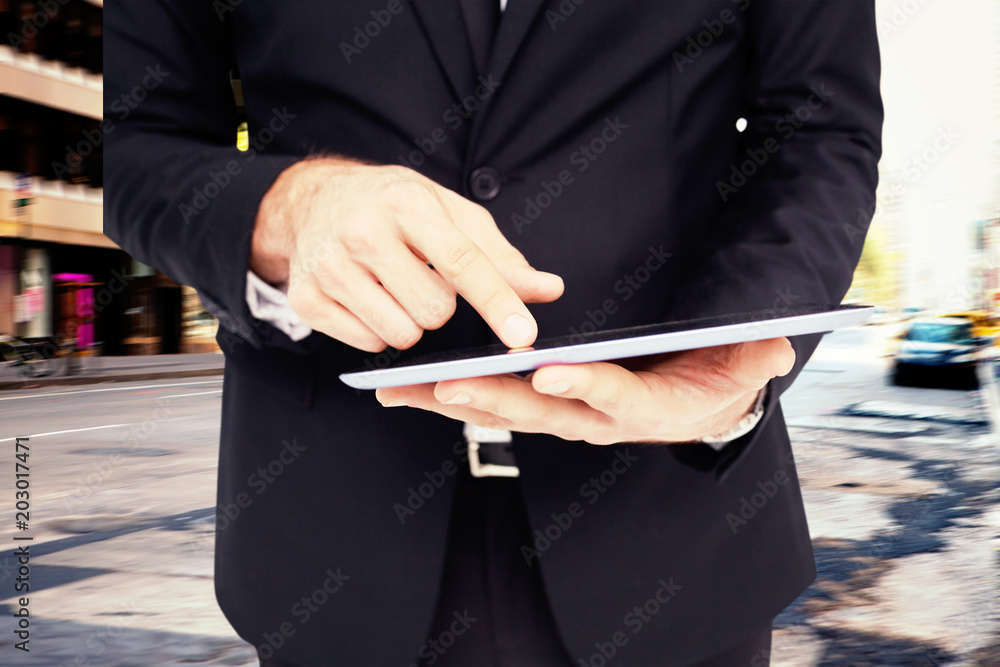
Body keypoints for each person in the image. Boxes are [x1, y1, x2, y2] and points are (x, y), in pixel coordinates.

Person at [104, 1, 882, 664]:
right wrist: (285, 209)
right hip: (332, 552)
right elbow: (136, 147)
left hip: (671, 539)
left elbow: (820, 127)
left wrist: (724, 354)